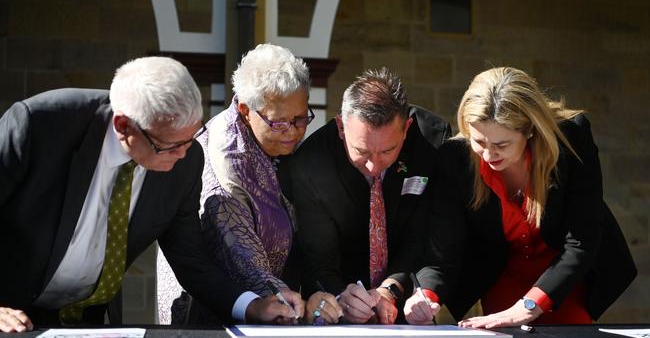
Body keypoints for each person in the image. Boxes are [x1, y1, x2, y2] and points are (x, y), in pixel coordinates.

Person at [0, 56, 301, 333]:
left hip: (87, 321)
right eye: (169, 145)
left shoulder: (187, 159)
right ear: (123, 126)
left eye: (190, 139)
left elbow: (190, 259)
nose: (183, 154)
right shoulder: (39, 125)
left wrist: (251, 305)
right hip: (11, 313)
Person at [405, 67, 637, 327]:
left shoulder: (572, 138)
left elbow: (582, 239)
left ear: (529, 130)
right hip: (501, 271)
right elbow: (443, 250)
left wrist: (530, 305)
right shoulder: (455, 158)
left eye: (502, 145)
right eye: (479, 141)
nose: (489, 155)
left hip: (564, 270)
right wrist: (426, 294)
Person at [156, 44, 343, 326]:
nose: (293, 131)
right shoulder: (226, 163)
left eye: (301, 118)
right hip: (219, 312)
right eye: (280, 123)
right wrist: (288, 300)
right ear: (245, 110)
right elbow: (242, 260)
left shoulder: (281, 142)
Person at [280, 67, 451, 325]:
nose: (373, 166)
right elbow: (318, 257)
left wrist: (392, 288)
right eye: (362, 151)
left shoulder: (433, 142)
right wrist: (341, 296)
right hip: (341, 305)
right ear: (341, 127)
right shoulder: (311, 164)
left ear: (406, 129)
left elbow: (429, 235)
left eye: (387, 151)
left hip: (411, 303)